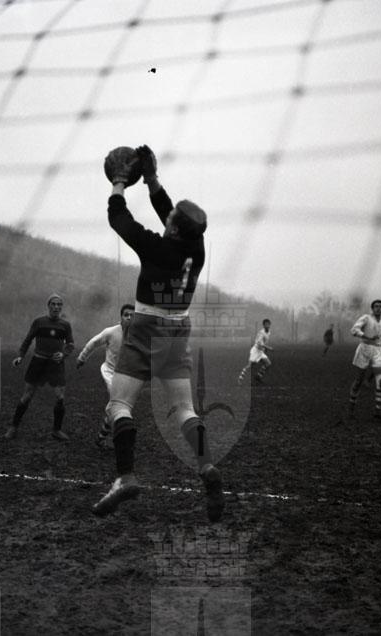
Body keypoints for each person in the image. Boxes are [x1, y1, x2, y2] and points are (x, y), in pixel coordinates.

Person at [93, 144, 225, 522]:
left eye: (170, 219)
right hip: (178, 329)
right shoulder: (196, 248)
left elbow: (119, 218)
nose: (166, 218)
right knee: (185, 410)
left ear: (173, 228)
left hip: (147, 328)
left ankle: (125, 477)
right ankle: (207, 467)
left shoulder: (155, 248)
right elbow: (169, 212)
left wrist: (120, 182)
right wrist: (152, 180)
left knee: (119, 405)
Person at [5, 294, 74, 441]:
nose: (56, 307)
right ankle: (13, 427)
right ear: (48, 306)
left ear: (61, 307)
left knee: (60, 397)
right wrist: (20, 356)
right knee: (27, 395)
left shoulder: (65, 325)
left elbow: (70, 344)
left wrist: (63, 354)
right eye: (53, 304)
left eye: (59, 304)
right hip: (38, 362)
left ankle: (56, 430)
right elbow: (28, 340)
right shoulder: (39, 322)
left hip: (55, 364)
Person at [76, 304, 135, 448]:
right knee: (118, 402)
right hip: (110, 372)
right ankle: (119, 437)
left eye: (132, 316)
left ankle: (102, 436)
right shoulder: (111, 332)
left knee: (118, 406)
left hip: (126, 375)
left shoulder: (139, 336)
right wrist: (82, 358)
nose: (129, 318)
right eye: (126, 315)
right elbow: (94, 342)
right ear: (121, 317)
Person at [347, 299, 381, 422]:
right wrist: (366, 336)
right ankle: (351, 408)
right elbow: (354, 330)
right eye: (376, 306)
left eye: (380, 306)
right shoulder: (366, 318)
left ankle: (378, 411)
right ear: (372, 308)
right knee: (359, 380)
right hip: (364, 349)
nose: (378, 308)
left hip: (377, 351)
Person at [238, 319, 273, 385]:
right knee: (250, 366)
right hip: (255, 351)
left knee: (268, 363)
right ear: (263, 325)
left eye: (268, 324)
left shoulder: (269, 332)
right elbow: (259, 343)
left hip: (261, 351)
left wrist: (265, 349)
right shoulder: (261, 333)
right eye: (266, 324)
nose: (267, 325)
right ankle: (240, 379)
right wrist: (268, 348)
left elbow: (264, 342)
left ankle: (258, 376)